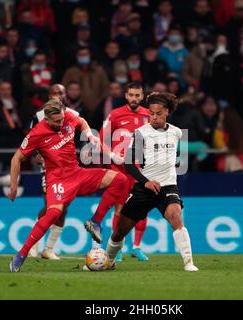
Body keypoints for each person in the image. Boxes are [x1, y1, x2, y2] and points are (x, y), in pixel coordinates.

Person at [8, 99, 130, 272]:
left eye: (62, 119)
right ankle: (21, 255)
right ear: (47, 120)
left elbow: (80, 122)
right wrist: (13, 187)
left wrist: (89, 134)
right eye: (56, 121)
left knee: (120, 180)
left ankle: (95, 221)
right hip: (58, 179)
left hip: (77, 173)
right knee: (54, 213)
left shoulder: (68, 117)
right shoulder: (36, 133)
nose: (61, 123)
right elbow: (16, 159)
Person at [105, 92, 199, 272]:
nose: (154, 117)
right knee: (119, 231)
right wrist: (145, 181)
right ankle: (107, 261)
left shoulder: (176, 132)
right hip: (144, 187)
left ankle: (189, 262)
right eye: (151, 113)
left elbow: (174, 155)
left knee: (176, 216)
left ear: (167, 112)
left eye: (158, 113)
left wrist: (173, 161)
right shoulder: (141, 133)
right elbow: (129, 163)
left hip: (168, 186)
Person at [98, 82, 150, 262]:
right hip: (120, 169)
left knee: (142, 208)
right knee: (120, 208)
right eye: (131, 95)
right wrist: (112, 154)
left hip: (141, 169)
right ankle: (117, 247)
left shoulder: (148, 115)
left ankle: (136, 247)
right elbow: (101, 139)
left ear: (142, 96)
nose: (134, 98)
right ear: (126, 96)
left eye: (138, 95)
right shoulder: (115, 114)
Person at [28, 83, 78, 260]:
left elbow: (80, 140)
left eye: (61, 93)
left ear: (65, 96)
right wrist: (36, 153)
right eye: (54, 93)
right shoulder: (39, 116)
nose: (57, 95)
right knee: (51, 206)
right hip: (49, 168)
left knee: (63, 208)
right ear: (49, 96)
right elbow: (31, 139)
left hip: (70, 169)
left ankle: (48, 249)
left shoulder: (74, 115)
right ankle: (34, 244)